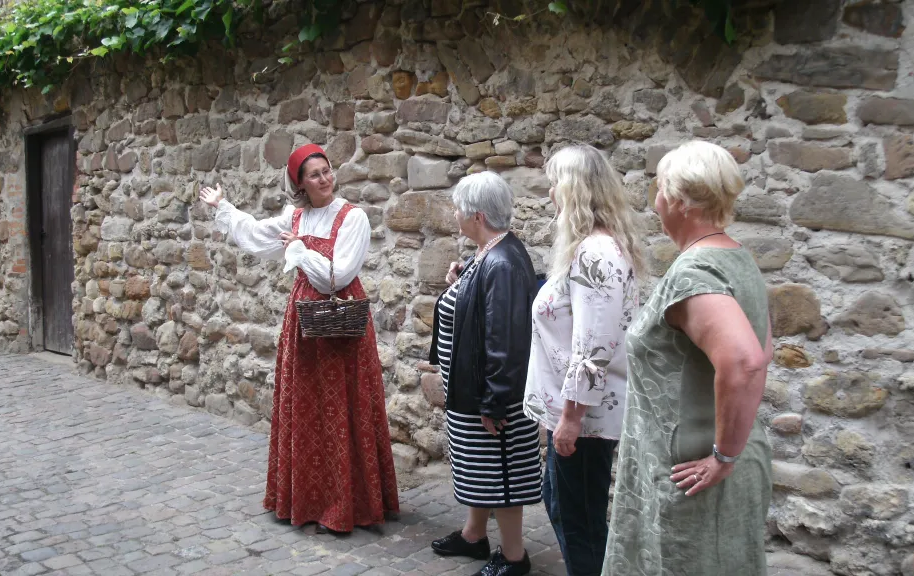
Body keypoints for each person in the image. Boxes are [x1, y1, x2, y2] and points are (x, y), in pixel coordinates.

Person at [199, 144, 399, 534]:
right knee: (308, 407)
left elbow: (336, 277)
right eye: (314, 175)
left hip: (341, 323)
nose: (324, 179)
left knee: (344, 404)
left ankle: (349, 504)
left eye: (327, 171)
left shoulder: (352, 218)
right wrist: (224, 207)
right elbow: (257, 235)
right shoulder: (296, 216)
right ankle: (308, 501)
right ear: (300, 184)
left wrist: (298, 249)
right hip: (303, 324)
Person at [603, 140, 774, 576]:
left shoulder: (695, 272)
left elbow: (746, 362)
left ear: (678, 201)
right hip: (715, 461)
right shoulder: (737, 259)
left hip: (689, 471)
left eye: (659, 189)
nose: (655, 200)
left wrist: (724, 455)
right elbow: (765, 350)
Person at [523, 145, 646, 576]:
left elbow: (595, 345)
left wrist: (572, 417)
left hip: (588, 418)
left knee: (581, 522)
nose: (551, 191)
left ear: (574, 189)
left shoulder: (597, 252)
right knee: (561, 503)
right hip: (575, 412)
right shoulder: (589, 249)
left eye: (556, 182)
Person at [427, 171, 542, 576]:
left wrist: (496, 400)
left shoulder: (502, 261)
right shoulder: (490, 252)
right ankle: (474, 535)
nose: (454, 214)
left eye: (458, 208)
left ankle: (514, 557)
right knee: (480, 468)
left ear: (476, 215)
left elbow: (505, 338)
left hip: (490, 397)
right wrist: (463, 282)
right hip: (472, 390)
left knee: (500, 470)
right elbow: (483, 310)